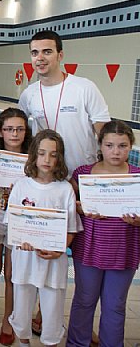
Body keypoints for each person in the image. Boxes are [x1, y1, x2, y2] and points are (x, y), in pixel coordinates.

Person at [66, 120, 140, 346]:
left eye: (122, 146)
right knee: (84, 300)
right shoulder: (83, 174)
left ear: (131, 147)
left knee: (115, 305)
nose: (116, 152)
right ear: (100, 146)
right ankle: (77, 343)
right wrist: (78, 207)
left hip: (124, 250)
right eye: (109, 145)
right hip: (89, 248)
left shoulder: (137, 177)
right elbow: (67, 203)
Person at [6, 130, 82, 347]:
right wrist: (22, 239)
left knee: (52, 312)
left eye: (53, 154)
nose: (47, 160)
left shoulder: (65, 189)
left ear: (60, 158)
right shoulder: (21, 185)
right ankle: (24, 342)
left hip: (54, 262)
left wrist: (60, 249)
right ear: (33, 156)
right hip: (25, 259)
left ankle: (50, 342)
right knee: (21, 310)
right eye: (42, 153)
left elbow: (71, 229)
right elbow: (13, 223)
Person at [18, 30, 110, 176]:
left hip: (81, 176)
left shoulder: (84, 87)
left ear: (60, 55)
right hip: (45, 177)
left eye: (47, 52)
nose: (40, 58)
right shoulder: (28, 94)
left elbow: (105, 134)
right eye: (35, 53)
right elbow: (18, 133)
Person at [0, 108, 32, 346]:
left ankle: (8, 320)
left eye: (19, 129)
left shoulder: (32, 160)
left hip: (18, 222)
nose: (14, 134)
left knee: (11, 274)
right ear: (0, 131)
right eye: (9, 129)